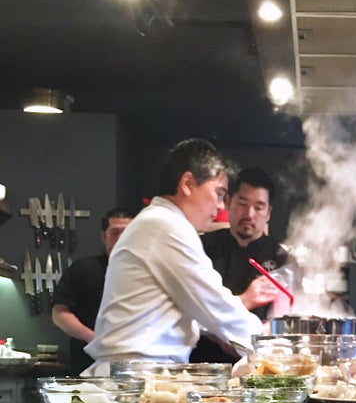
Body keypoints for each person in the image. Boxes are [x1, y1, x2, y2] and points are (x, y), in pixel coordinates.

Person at [84, 138, 264, 375]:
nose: (221, 207)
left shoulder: (158, 222)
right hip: (135, 378)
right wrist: (269, 345)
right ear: (188, 183)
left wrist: (226, 336)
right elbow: (215, 304)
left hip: (135, 374)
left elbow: (194, 311)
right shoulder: (165, 225)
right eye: (219, 193)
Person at [191, 166, 285, 362]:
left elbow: (283, 319)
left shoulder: (281, 257)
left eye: (259, 207)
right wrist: (246, 299)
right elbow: (193, 310)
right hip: (202, 362)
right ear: (227, 203)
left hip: (254, 363)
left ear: (268, 213)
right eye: (242, 204)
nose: (249, 214)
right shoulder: (201, 247)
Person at [51, 207, 135, 373]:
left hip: (136, 365)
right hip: (86, 364)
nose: (120, 238)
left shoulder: (147, 273)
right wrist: (94, 339)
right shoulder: (83, 269)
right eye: (114, 232)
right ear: (104, 237)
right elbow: (59, 313)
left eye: (127, 232)